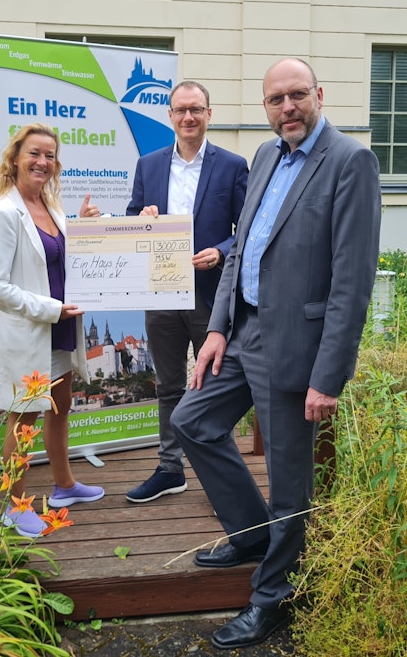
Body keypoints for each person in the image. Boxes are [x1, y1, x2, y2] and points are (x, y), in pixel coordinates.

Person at [171, 58, 381, 649]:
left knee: (290, 478)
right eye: (274, 100)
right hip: (243, 332)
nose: (286, 108)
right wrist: (216, 329)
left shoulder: (349, 162)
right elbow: (241, 250)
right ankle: (254, 533)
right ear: (264, 108)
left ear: (318, 95)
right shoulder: (265, 156)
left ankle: (274, 598)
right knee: (193, 420)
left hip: (299, 345)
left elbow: (352, 280)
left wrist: (329, 377)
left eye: (296, 96)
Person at [124, 80, 248, 504]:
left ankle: (222, 480)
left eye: (196, 109)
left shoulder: (232, 165)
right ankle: (169, 469)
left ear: (209, 114)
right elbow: (130, 219)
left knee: (216, 385)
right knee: (168, 385)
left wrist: (221, 250)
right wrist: (142, 216)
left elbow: (246, 230)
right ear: (170, 116)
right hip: (160, 292)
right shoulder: (149, 164)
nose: (188, 117)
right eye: (181, 110)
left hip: (210, 293)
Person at [0, 122, 104, 538]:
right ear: (15, 158)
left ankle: (65, 486)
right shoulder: (4, 212)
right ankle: (15, 508)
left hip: (59, 330)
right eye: (34, 153)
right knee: (24, 420)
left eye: (50, 156)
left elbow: (60, 259)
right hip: (33, 329)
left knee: (61, 405)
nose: (42, 162)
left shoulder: (51, 206)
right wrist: (51, 308)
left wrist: (86, 227)